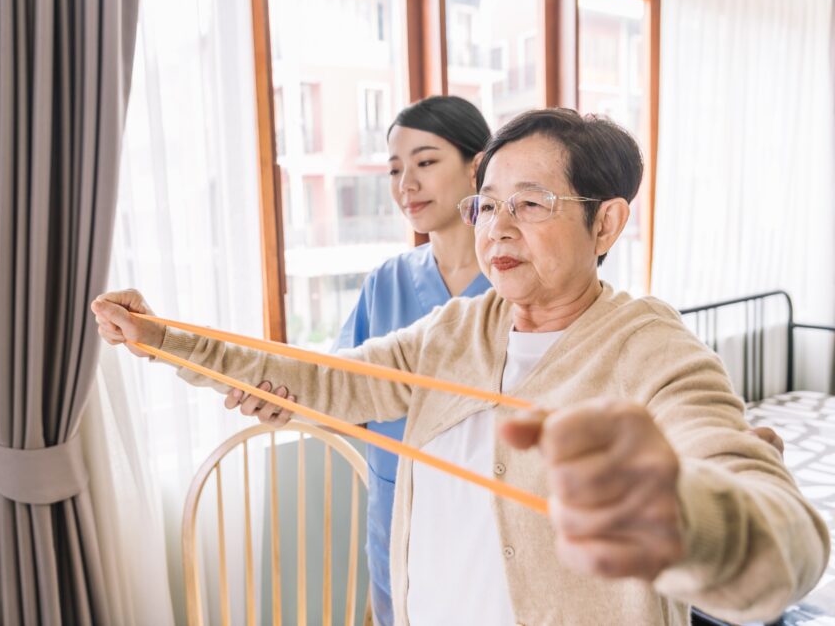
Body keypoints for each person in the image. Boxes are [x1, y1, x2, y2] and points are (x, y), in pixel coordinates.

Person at [92, 109, 827, 625]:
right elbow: (327, 378)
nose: (497, 228)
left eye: (532, 204)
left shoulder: (652, 347)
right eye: (487, 205)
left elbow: (780, 541)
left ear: (605, 222)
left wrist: (685, 517)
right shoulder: (459, 326)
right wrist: (166, 341)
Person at [225, 94, 491, 626]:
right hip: (398, 518)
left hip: (487, 523)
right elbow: (338, 392)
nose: (405, 185)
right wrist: (286, 404)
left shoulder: (515, 285)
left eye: (426, 161)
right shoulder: (386, 282)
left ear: (477, 166)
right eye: (394, 169)